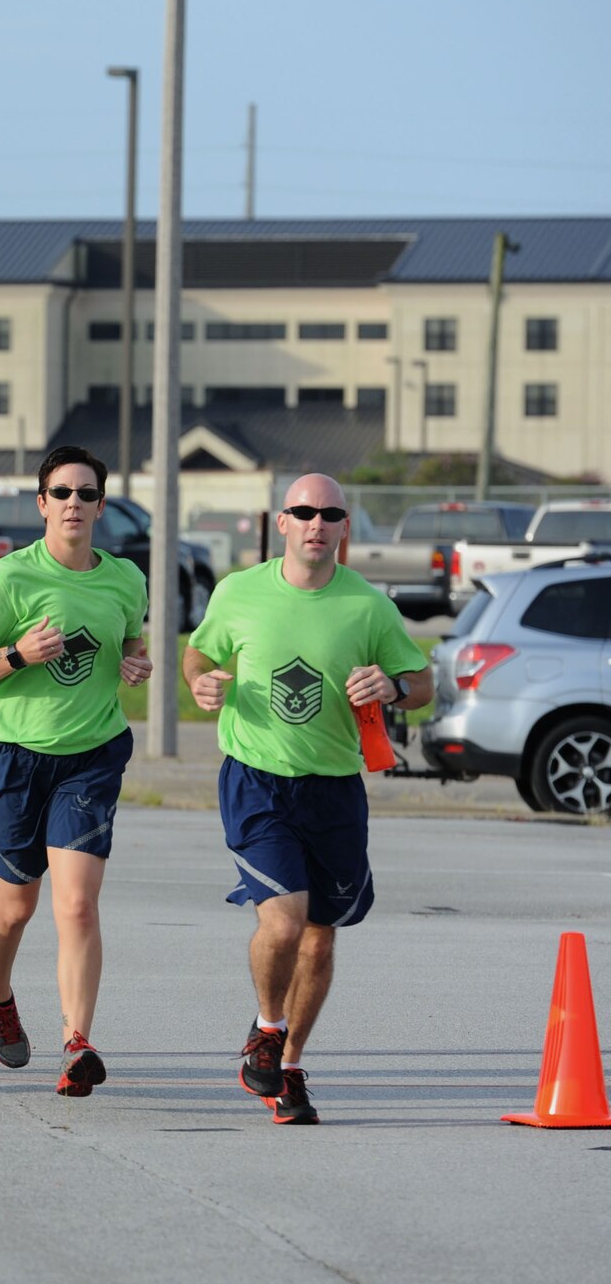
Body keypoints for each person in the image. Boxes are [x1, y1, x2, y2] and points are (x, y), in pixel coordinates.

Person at [183, 473, 431, 1126]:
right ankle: (266, 1028)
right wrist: (204, 683)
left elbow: (421, 679)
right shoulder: (239, 592)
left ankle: (288, 1064)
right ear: (282, 522)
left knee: (320, 941)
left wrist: (394, 688)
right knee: (284, 922)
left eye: (329, 513)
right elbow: (199, 655)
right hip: (257, 779)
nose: (316, 522)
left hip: (335, 789)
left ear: (345, 526)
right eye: (303, 511)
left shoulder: (368, 606)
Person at [0, 445, 150, 1097]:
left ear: (100, 505)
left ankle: (77, 1041)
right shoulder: (13, 579)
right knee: (16, 905)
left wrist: (135, 662)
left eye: (86, 494)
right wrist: (17, 653)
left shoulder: (124, 579)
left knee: (78, 905)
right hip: (11, 757)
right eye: (61, 493)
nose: (73, 504)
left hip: (90, 757)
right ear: (42, 504)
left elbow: (130, 639)